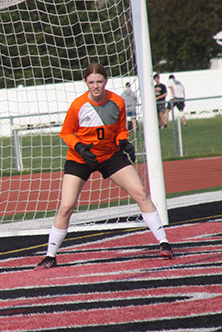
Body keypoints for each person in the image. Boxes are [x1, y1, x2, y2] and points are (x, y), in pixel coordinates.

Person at [35, 63, 174, 270]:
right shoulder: (78, 105)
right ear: (85, 83)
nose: (95, 86)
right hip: (81, 158)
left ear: (106, 81)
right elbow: (65, 133)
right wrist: (80, 148)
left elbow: (120, 130)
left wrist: (124, 142)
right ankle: (50, 256)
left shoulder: (117, 101)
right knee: (66, 206)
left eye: (99, 81)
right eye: (91, 82)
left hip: (110, 156)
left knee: (140, 192)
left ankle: (164, 243)